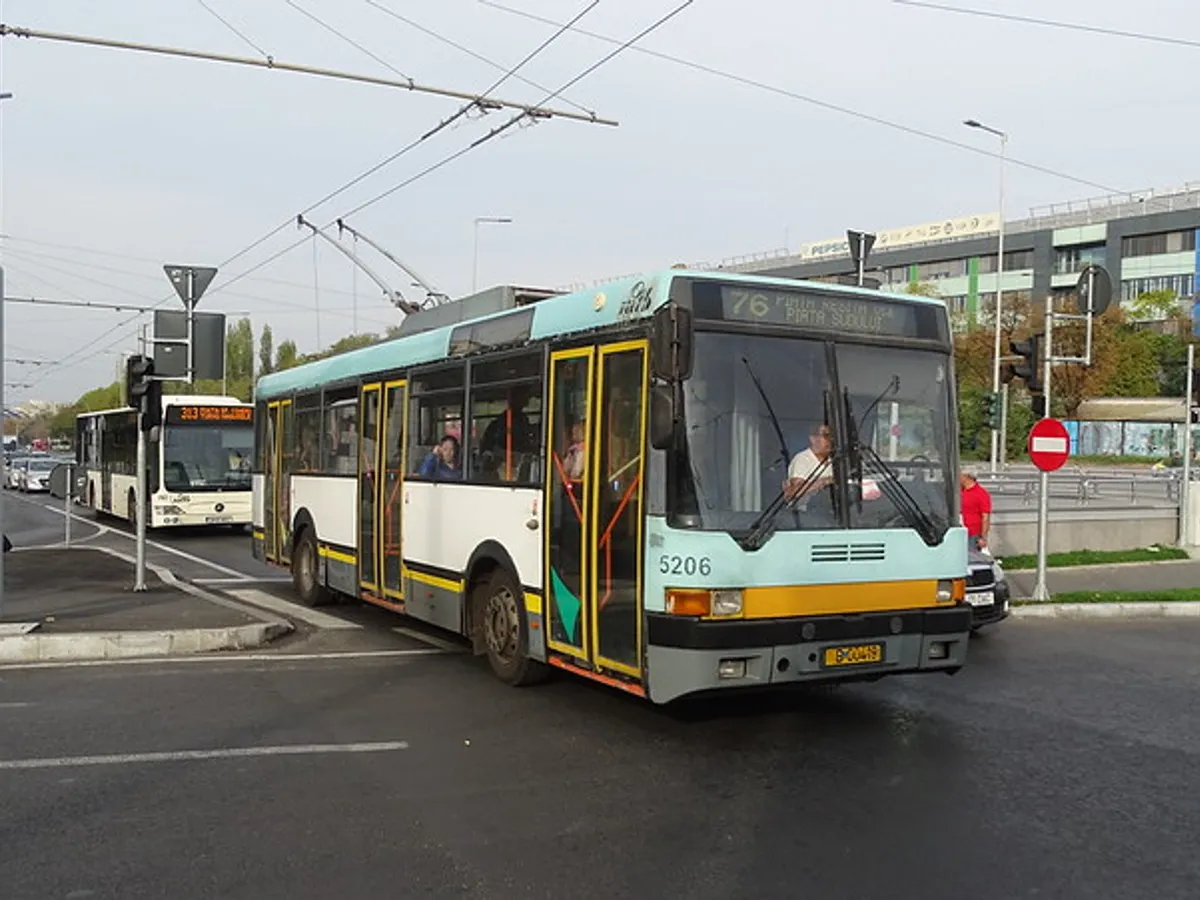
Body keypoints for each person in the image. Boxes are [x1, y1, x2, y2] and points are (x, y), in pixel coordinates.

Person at [784, 423, 835, 503]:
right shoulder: (802, 459)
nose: (830, 440)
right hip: (807, 513)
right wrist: (825, 481)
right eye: (826, 435)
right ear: (813, 438)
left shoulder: (836, 460)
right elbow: (796, 491)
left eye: (832, 436)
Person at [960, 467, 992, 552]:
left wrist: (983, 537)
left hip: (973, 533)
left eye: (960, 476)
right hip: (959, 531)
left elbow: (986, 517)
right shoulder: (960, 491)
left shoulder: (981, 494)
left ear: (967, 477)